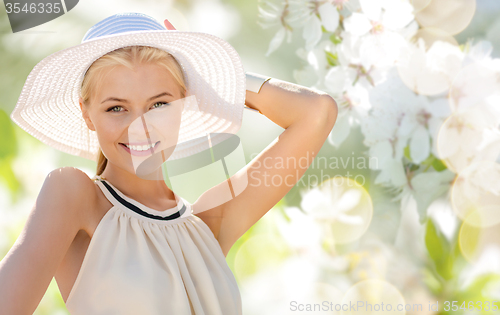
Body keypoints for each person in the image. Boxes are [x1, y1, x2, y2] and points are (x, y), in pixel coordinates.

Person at [0, 12, 337, 315]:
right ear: (87, 114)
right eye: (116, 108)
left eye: (159, 104)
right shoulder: (73, 194)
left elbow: (316, 113)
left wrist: (206, 79)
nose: (140, 126)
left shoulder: (209, 224)